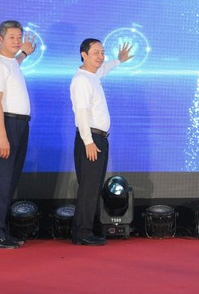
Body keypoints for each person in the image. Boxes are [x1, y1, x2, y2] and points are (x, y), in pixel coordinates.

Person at [70, 39, 133, 245]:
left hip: (98, 138)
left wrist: (119, 60)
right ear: (84, 55)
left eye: (102, 52)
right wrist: (88, 141)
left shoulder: (93, 75)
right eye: (96, 52)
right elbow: (81, 113)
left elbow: (104, 68)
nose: (100, 57)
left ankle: (88, 230)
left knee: (94, 186)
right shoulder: (82, 80)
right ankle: (82, 233)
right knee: (88, 188)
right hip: (90, 138)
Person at [0, 20, 35, 249]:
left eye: (19, 37)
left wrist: (24, 53)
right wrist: (2, 136)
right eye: (11, 37)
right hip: (4, 126)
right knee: (1, 184)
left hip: (19, 125)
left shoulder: (11, 62)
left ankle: (2, 231)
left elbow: (14, 63)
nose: (16, 41)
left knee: (9, 183)